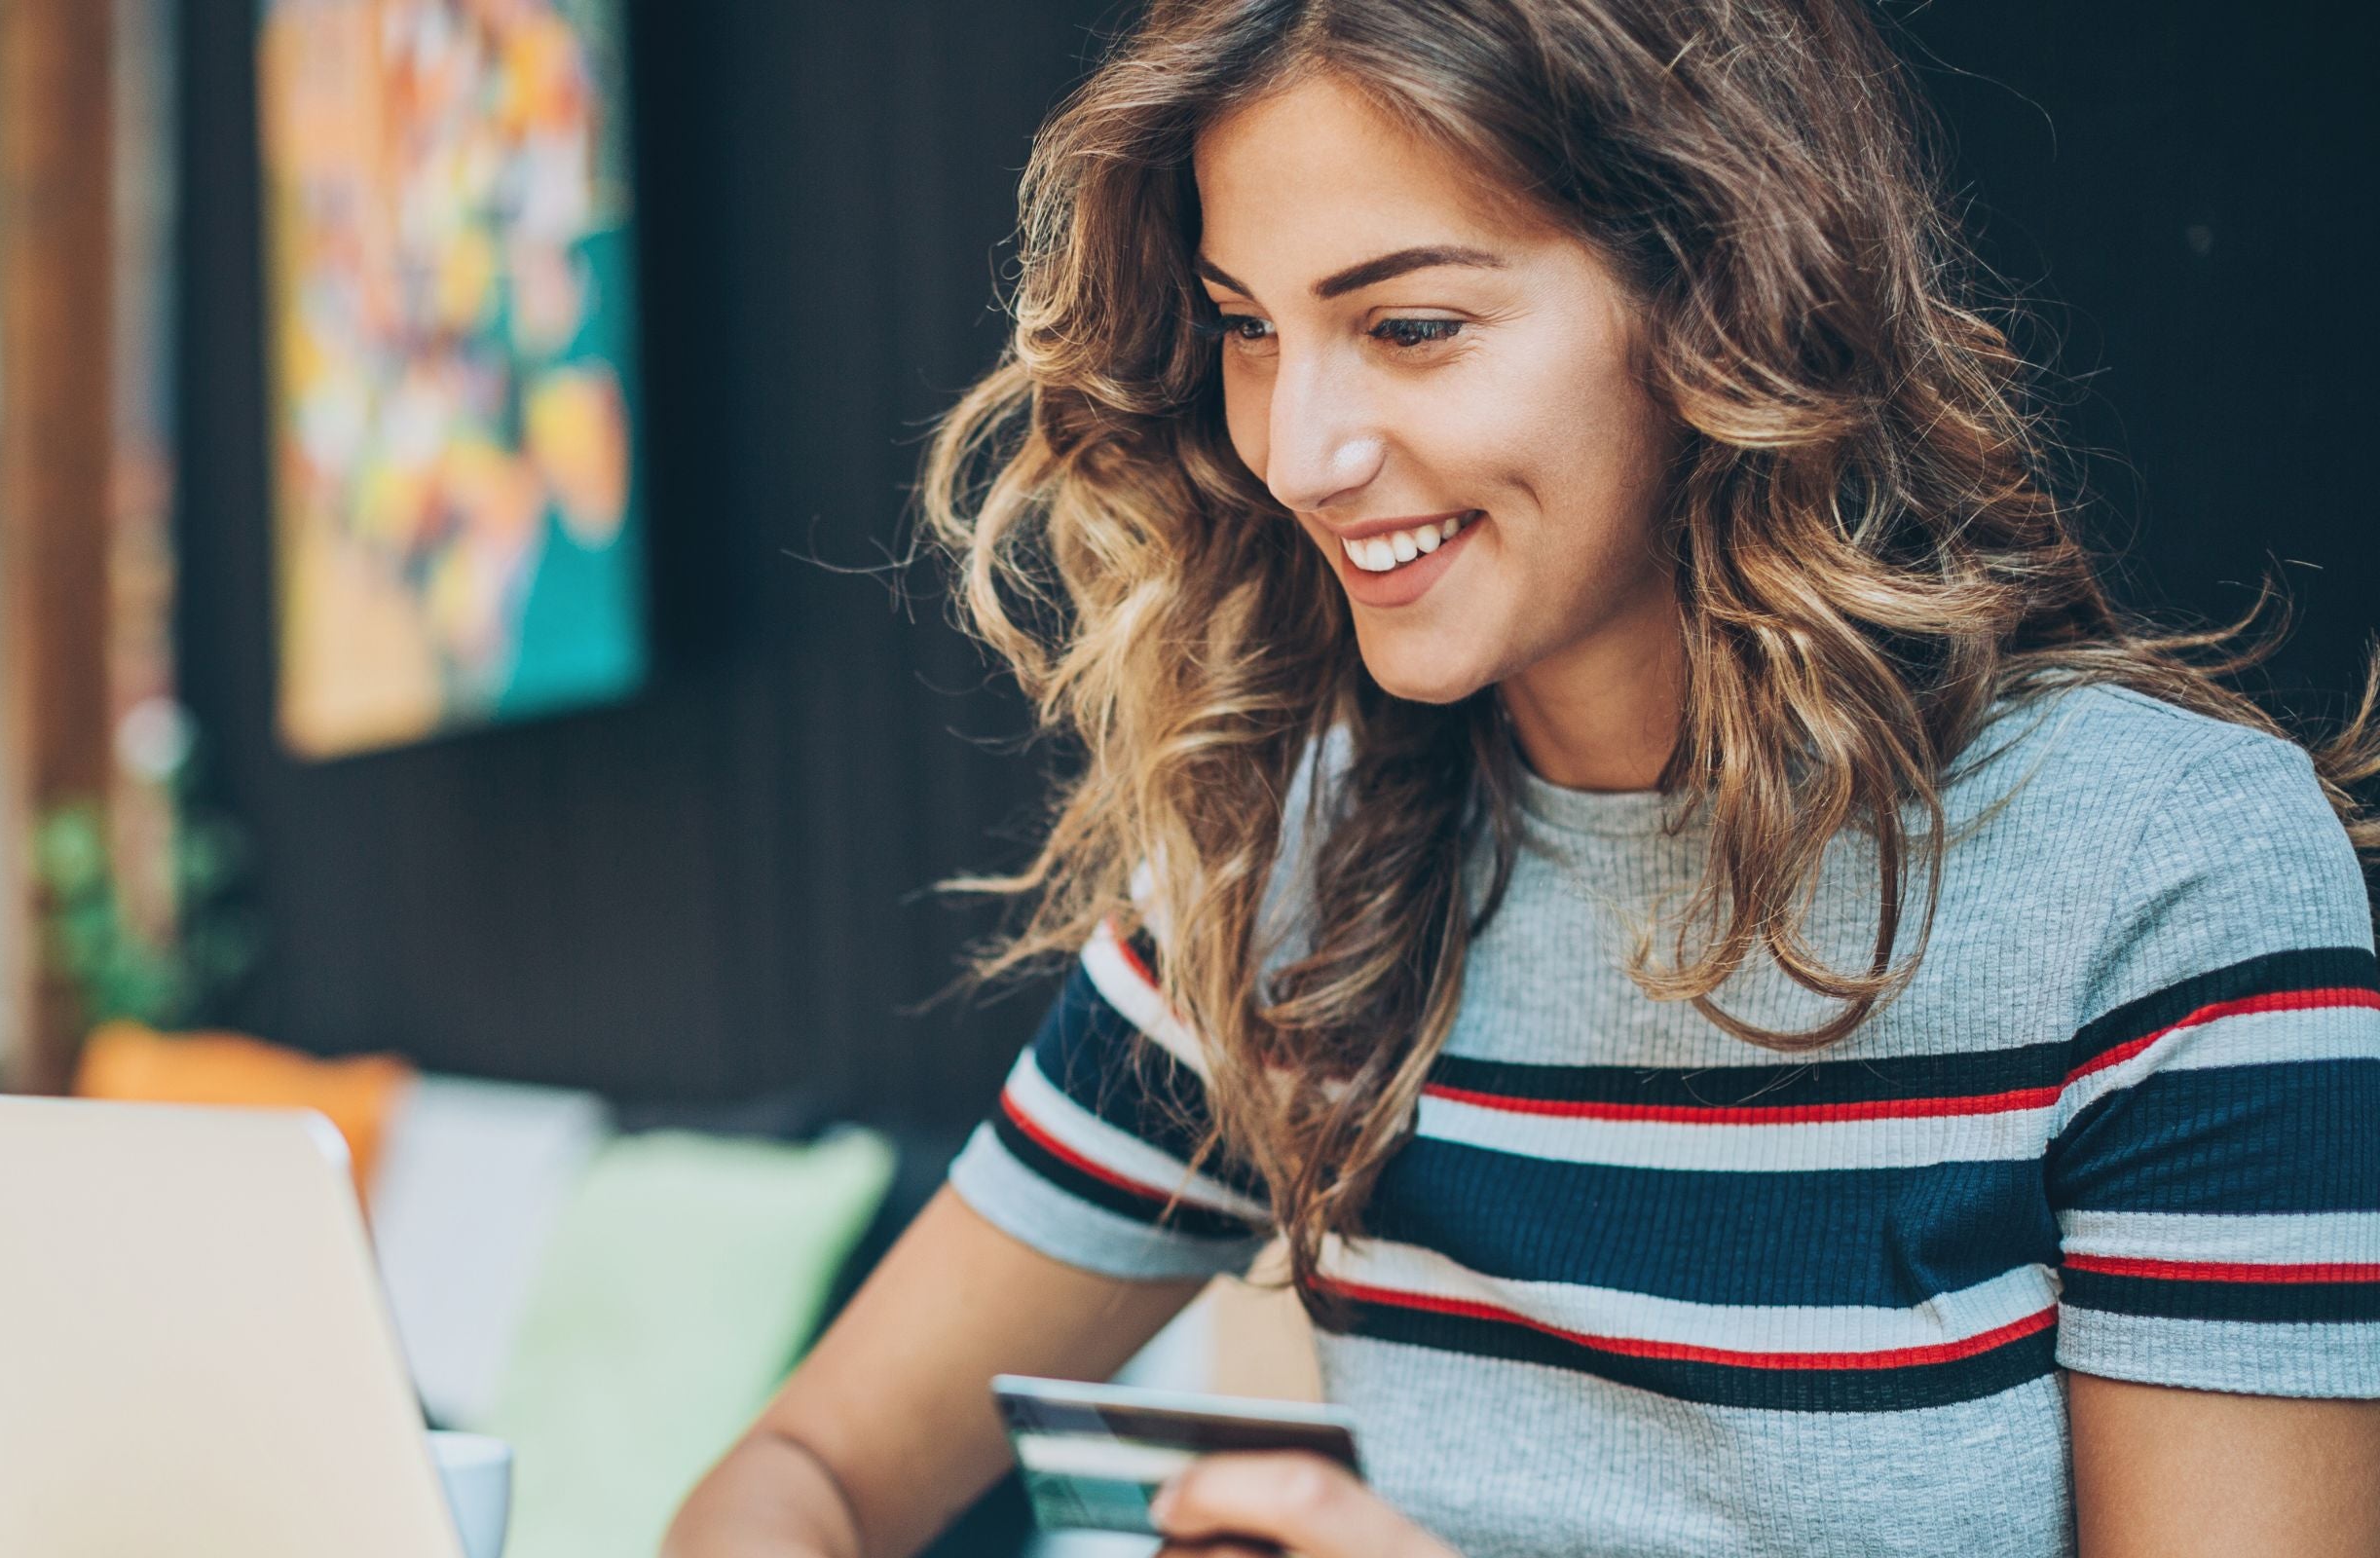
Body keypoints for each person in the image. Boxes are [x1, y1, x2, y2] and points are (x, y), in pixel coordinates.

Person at [659, 1, 2380, 1554]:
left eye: (1408, 325)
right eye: (1246, 329)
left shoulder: (2163, 873)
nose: (1302, 454)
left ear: (1722, 298)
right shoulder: (1292, 878)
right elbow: (804, 1471)